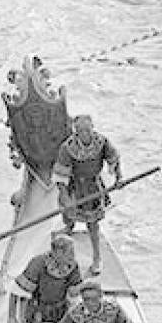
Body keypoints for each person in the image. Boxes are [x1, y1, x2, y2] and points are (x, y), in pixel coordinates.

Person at [51, 114, 122, 274]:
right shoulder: (67, 148)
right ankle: (67, 232)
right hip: (74, 186)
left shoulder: (101, 142)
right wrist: (66, 197)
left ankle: (97, 258)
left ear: (92, 128)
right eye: (81, 131)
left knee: (92, 224)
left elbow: (114, 159)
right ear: (76, 132)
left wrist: (119, 178)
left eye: (87, 130)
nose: (85, 134)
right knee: (68, 215)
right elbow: (60, 176)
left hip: (92, 188)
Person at [14, 234, 83, 323]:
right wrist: (13, 318)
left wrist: (81, 288)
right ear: (58, 252)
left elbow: (73, 290)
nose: (73, 256)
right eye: (70, 252)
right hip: (37, 311)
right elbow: (18, 292)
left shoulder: (71, 265)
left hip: (60, 311)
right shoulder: (37, 263)